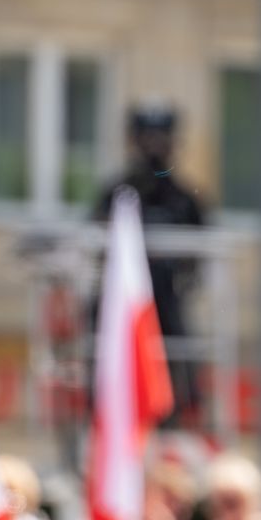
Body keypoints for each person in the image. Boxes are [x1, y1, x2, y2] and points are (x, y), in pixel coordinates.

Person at [93, 103, 206, 425]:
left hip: (167, 298)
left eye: (161, 138)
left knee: (178, 344)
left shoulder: (184, 199)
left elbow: (198, 256)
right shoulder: (116, 193)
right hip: (122, 303)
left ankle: (182, 410)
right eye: (147, 138)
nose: (154, 147)